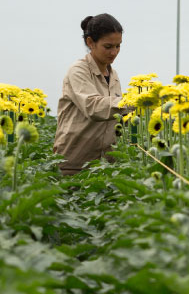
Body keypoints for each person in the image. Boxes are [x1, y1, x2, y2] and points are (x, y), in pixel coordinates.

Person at [53, 13, 132, 175]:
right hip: (74, 163)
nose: (114, 52)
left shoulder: (113, 75)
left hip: (105, 165)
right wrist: (133, 101)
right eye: (108, 46)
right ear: (90, 42)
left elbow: (118, 115)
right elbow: (93, 106)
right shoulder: (78, 71)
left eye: (118, 46)